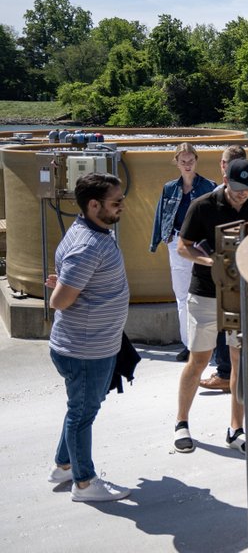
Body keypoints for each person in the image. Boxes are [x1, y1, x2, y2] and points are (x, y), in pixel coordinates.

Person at [174, 159, 248, 455]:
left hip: (241, 295)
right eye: (238, 188)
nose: (243, 194)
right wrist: (213, 262)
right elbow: (183, 246)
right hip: (205, 293)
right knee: (199, 361)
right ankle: (181, 422)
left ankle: (236, 429)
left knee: (240, 361)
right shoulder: (203, 206)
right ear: (225, 179)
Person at [45, 172, 133, 501]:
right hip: (84, 349)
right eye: (116, 202)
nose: (122, 206)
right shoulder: (88, 245)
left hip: (92, 344)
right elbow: (60, 301)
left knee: (79, 408)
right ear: (93, 205)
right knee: (83, 414)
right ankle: (84, 483)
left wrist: (69, 284)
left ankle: (64, 465)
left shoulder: (86, 230)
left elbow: (73, 283)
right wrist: (64, 288)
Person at [150, 143, 218, 362]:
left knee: (206, 295)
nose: (187, 165)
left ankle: (210, 346)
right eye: (183, 161)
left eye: (190, 161)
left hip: (202, 244)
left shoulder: (209, 186)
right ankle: (188, 345)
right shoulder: (169, 188)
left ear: (196, 160)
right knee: (182, 296)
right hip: (177, 243)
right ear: (177, 163)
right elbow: (160, 215)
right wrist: (156, 242)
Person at [200, 145, 248, 393]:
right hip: (242, 267)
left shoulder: (224, 195)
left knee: (227, 323)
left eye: (223, 162)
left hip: (229, 268)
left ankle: (225, 374)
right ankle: (234, 372)